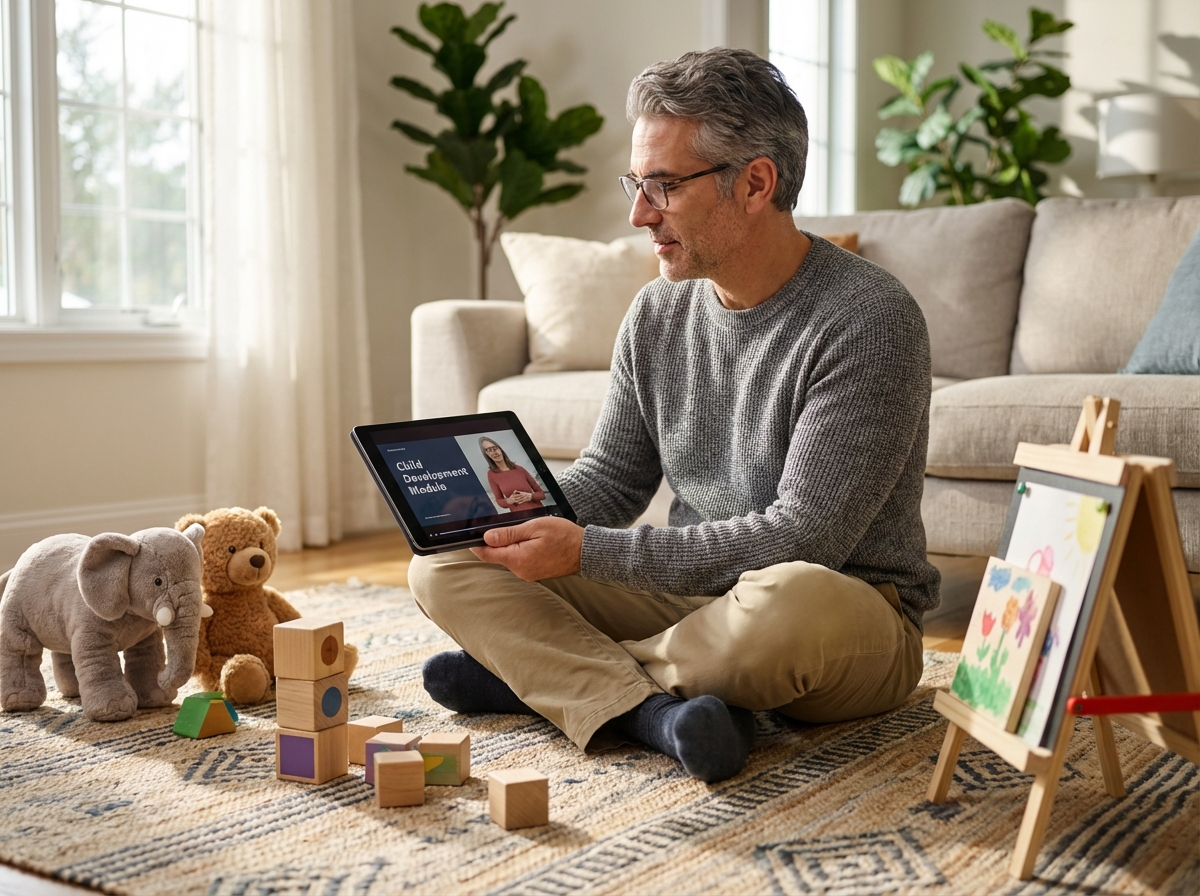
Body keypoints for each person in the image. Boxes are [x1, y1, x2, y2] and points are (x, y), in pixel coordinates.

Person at [409, 48, 940, 783]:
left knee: (785, 602)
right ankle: (653, 712)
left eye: (663, 186)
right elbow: (613, 479)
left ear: (755, 182)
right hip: (691, 596)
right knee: (443, 564)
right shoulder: (657, 312)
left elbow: (805, 536)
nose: (637, 214)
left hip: (842, 610)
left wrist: (585, 553)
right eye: (637, 183)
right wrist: (508, 512)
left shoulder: (869, 318)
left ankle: (540, 682)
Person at [480, 437, 545, 510]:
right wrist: (508, 501)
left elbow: (542, 494)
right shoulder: (491, 474)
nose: (494, 452)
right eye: (489, 450)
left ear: (500, 449)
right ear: (486, 454)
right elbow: (499, 500)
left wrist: (531, 496)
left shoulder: (519, 469)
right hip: (519, 517)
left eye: (495, 448)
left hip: (539, 513)